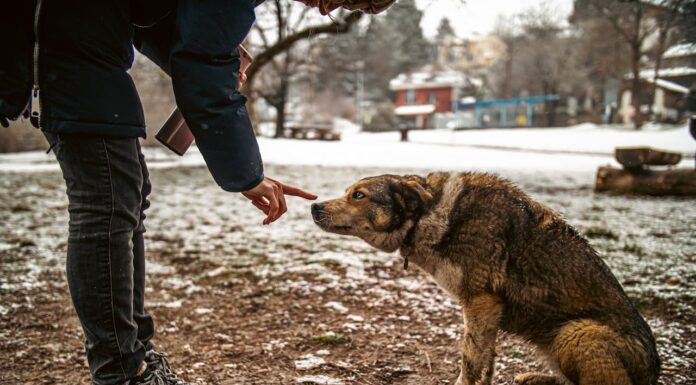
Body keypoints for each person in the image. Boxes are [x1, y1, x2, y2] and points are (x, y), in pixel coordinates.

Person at [0, 1, 395, 384]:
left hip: (86, 34)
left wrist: (211, 53)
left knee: (126, 196)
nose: (328, 11)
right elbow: (200, 66)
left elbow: (152, 17)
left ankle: (134, 356)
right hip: (61, 35)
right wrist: (246, 175)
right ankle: (122, 371)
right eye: (346, 0)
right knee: (106, 203)